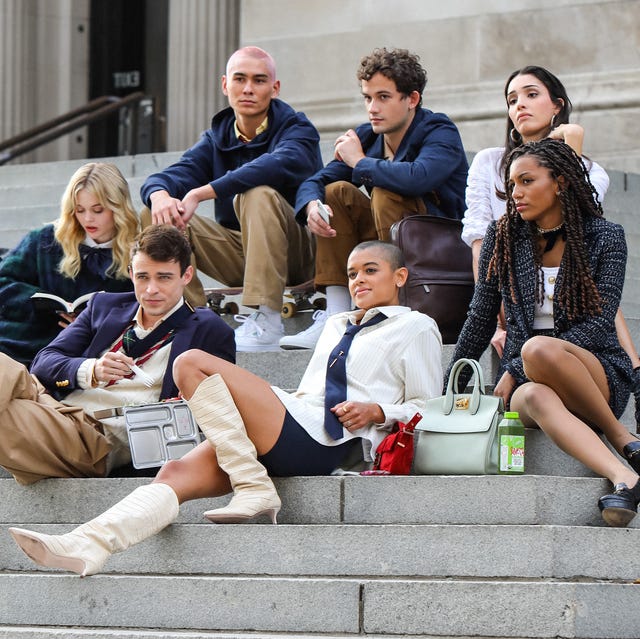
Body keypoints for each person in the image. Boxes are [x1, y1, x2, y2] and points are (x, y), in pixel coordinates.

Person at [9, 240, 443, 576]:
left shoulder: (417, 326)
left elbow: (430, 409)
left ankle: (254, 487)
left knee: (190, 363)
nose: (358, 280)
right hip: (299, 417)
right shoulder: (334, 326)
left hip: (337, 438)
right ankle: (89, 545)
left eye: (371, 270)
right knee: (173, 474)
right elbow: (313, 389)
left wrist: (380, 412)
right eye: (350, 273)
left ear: (400, 276)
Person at [450, 138, 640, 528]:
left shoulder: (605, 237)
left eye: (526, 181)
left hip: (594, 372)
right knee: (533, 393)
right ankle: (625, 476)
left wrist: (515, 365)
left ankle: (619, 434)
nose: (515, 193)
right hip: (529, 380)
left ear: (561, 183)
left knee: (538, 350)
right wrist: (451, 389)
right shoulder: (504, 239)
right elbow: (480, 319)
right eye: (512, 184)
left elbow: (600, 326)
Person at [461, 65, 640, 426]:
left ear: (557, 105)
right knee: (531, 386)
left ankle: (632, 371)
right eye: (511, 100)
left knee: (586, 298)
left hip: (573, 318)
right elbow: (481, 244)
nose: (520, 105)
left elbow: (580, 228)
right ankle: (624, 449)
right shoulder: (490, 164)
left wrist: (570, 147)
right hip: (513, 290)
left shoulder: (592, 193)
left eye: (531, 94)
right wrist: (452, 385)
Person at [0, 224, 235, 485]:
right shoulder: (105, 306)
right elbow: (43, 362)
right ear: (131, 273)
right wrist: (92, 370)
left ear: (186, 275)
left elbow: (216, 411)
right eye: (143, 277)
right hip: (51, 407)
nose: (151, 289)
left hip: (93, 439)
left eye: (164, 277)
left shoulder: (209, 330)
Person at [282, 47, 468, 350]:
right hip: (387, 246)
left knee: (386, 191)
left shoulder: (439, 130)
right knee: (334, 193)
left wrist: (359, 162)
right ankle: (337, 314)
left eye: (383, 97)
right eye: (368, 98)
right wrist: (312, 205)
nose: (372, 108)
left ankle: (397, 306)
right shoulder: (367, 137)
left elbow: (418, 177)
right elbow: (316, 180)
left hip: (437, 257)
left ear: (412, 99)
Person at [140, 46, 321, 351]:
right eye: (240, 79)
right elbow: (171, 175)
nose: (248, 88)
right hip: (242, 253)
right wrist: (158, 196)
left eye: (259, 80)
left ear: (274, 88)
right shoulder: (217, 137)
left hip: (299, 253)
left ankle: (267, 321)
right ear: (225, 85)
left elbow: (271, 166)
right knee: (155, 216)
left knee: (257, 193)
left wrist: (201, 192)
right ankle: (191, 320)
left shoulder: (297, 129)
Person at [0, 162, 139, 367]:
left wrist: (91, 325)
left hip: (87, 351)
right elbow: (4, 281)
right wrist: (40, 305)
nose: (87, 219)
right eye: (79, 210)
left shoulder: (137, 251)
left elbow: (143, 310)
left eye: (98, 210)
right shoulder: (46, 240)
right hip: (27, 339)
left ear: (118, 207)